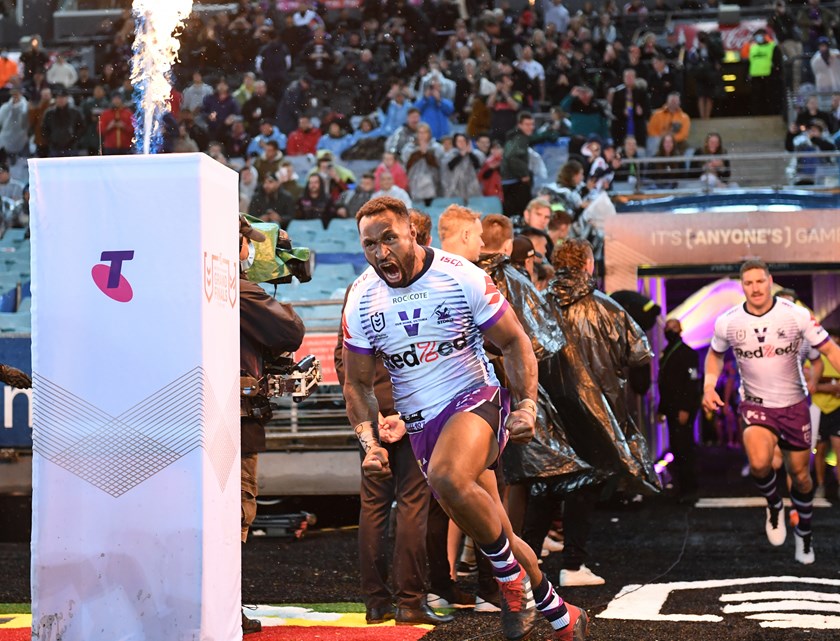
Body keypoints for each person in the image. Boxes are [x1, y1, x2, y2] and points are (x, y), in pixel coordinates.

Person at [342, 196, 589, 641]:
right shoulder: (361, 297)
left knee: (448, 476)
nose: (381, 252)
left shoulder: (461, 276)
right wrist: (370, 442)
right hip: (422, 426)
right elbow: (356, 384)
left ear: (412, 233)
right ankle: (562, 615)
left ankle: (510, 584)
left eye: (389, 239)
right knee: (496, 528)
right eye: (370, 245)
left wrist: (527, 405)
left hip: (475, 401)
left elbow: (515, 342)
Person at [333, 211, 443, 626]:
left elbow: (343, 361)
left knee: (374, 506)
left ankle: (375, 602)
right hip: (414, 409)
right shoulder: (431, 285)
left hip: (369, 409)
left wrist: (368, 416)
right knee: (413, 504)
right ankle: (410, 601)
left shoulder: (358, 289)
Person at [702, 259, 840, 565]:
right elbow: (714, 355)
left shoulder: (796, 315)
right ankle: (774, 505)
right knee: (760, 462)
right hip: (756, 405)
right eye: (748, 283)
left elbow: (829, 350)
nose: (755, 288)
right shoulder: (729, 321)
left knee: (800, 477)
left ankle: (804, 531)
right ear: (742, 286)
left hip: (794, 406)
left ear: (770, 281)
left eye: (760, 281)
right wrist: (709, 386)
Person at [539, 239, 658, 586]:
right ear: (588, 265)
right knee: (585, 485)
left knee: (542, 486)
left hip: (546, 408)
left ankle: (526, 572)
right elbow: (638, 353)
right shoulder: (606, 307)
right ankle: (573, 565)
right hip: (596, 410)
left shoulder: (536, 304)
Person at [238, 215, 305, 634]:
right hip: (235, 420)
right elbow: (289, 330)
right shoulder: (235, 287)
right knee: (236, 510)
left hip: (213, 417)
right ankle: (225, 605)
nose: (251, 252)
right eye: (248, 242)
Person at [658, 318, 701, 501]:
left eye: (673, 327)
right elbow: (664, 383)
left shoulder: (687, 353)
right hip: (671, 407)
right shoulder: (667, 352)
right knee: (676, 447)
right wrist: (662, 408)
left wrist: (685, 408)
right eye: (667, 327)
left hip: (681, 408)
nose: (669, 330)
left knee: (684, 447)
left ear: (680, 329)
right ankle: (681, 485)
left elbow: (691, 384)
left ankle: (688, 486)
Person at [812, 329, 840, 501]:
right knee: (819, 450)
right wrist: (832, 385)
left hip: (837, 409)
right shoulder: (816, 357)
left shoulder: (836, 356)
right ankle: (821, 485)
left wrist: (820, 384)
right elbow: (809, 382)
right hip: (819, 409)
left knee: (838, 449)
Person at [501, 112, 535, 218]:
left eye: (532, 124)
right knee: (520, 213)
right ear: (519, 125)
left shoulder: (513, 136)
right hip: (515, 181)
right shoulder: (520, 138)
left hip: (508, 180)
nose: (531, 127)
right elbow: (512, 157)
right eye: (527, 124)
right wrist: (524, 174)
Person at [40, 87, 84, 157]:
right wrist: (50, 141)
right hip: (54, 147)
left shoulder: (75, 112)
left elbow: (81, 127)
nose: (61, 100)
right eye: (59, 98)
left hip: (72, 147)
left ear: (67, 98)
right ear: (56, 99)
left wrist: (75, 139)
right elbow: (44, 128)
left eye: (63, 98)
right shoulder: (49, 113)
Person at [441, 133, 485, 202]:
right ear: (455, 143)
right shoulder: (451, 154)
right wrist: (461, 155)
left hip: (472, 187)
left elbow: (478, 166)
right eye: (459, 141)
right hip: (455, 188)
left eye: (463, 140)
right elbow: (449, 166)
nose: (461, 143)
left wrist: (470, 153)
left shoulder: (476, 153)